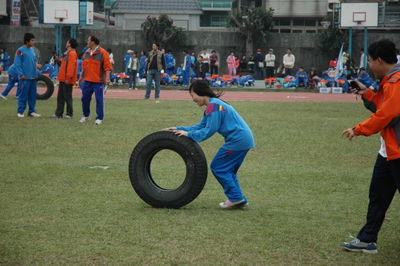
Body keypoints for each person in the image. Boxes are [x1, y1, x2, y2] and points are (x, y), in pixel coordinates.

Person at [341, 39, 400, 254]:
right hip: (388, 151)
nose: (369, 67)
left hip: (398, 151)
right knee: (378, 196)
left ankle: (366, 239)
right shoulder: (389, 80)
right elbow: (383, 106)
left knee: (379, 196)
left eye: (370, 62)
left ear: (380, 60)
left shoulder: (396, 81)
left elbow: (387, 114)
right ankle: (367, 240)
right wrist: (366, 93)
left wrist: (358, 129)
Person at [164, 80, 255, 208]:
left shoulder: (214, 106)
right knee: (227, 170)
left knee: (218, 167)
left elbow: (209, 130)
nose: (192, 99)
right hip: (242, 140)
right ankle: (238, 198)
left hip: (237, 140)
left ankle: (235, 198)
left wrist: (189, 135)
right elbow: (200, 126)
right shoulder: (212, 106)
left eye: (192, 95)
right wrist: (179, 129)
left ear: (200, 93)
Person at [79, 35, 112, 125]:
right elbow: (84, 66)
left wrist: (108, 78)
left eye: (88, 40)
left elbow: (107, 67)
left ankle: (99, 117)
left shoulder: (103, 52)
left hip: (98, 81)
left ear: (93, 42)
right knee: (84, 98)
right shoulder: (86, 52)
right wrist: (81, 76)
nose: (87, 42)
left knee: (99, 99)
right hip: (87, 80)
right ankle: (86, 115)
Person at [14, 33, 42, 118]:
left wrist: (37, 65)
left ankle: (32, 111)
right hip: (25, 77)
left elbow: (33, 61)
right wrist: (21, 74)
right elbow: (17, 63)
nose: (34, 42)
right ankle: (20, 111)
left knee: (33, 95)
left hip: (33, 76)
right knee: (23, 95)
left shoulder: (32, 50)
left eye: (34, 40)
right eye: (32, 40)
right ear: (27, 41)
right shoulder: (20, 50)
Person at [51, 38, 78, 119]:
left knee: (67, 97)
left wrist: (68, 77)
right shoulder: (67, 53)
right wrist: (58, 60)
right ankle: (59, 113)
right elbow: (63, 64)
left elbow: (71, 67)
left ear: (69, 44)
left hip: (67, 79)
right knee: (61, 97)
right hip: (63, 78)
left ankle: (69, 114)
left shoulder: (72, 53)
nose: (66, 43)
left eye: (67, 42)